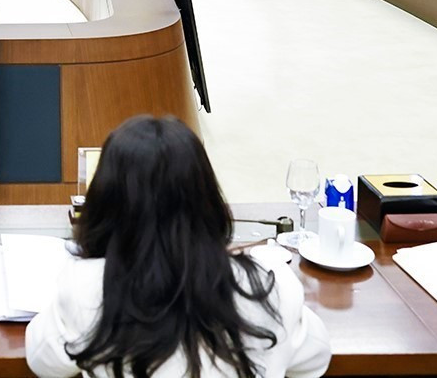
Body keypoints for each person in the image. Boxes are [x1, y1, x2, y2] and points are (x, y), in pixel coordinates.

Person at [25, 114, 331, 378]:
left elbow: (42, 361)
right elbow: (315, 361)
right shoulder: (271, 287)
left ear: (106, 205)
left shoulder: (85, 288)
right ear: (208, 199)